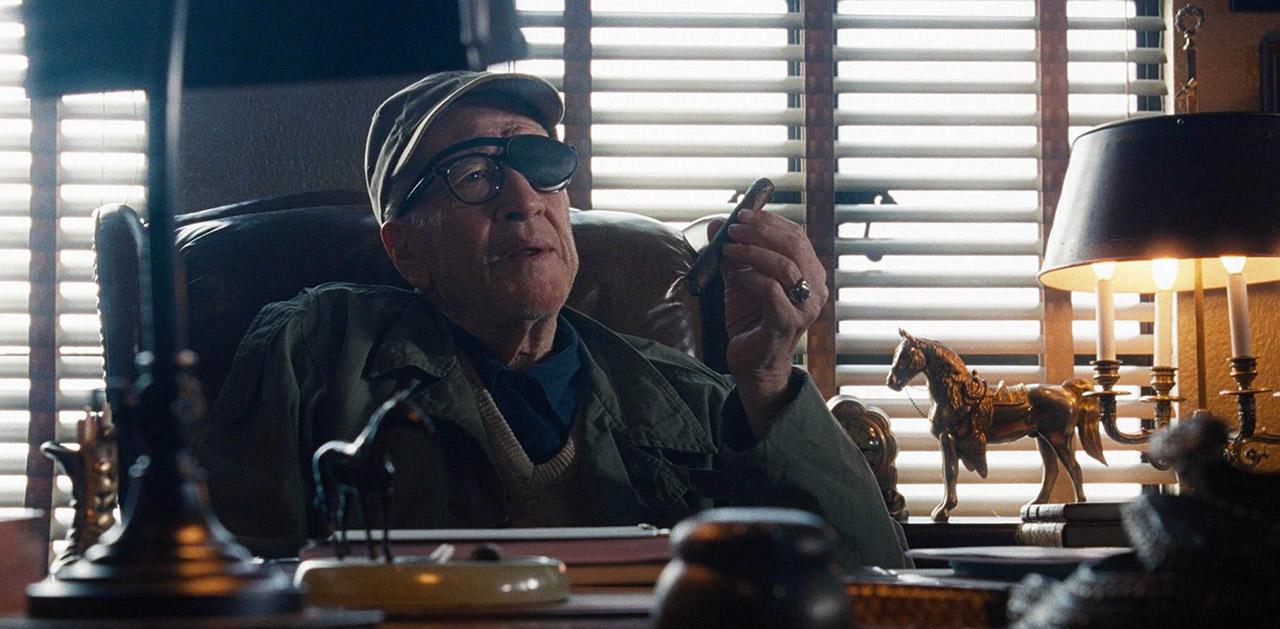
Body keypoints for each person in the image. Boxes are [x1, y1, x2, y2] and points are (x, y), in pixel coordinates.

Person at [197, 70, 909, 568]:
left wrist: (770, 380)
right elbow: (237, 589)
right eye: (474, 174)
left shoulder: (688, 396)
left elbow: (870, 582)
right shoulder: (315, 350)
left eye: (539, 164)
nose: (523, 199)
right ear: (406, 247)